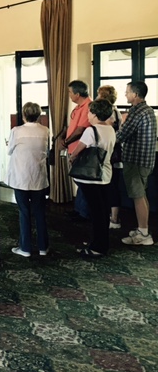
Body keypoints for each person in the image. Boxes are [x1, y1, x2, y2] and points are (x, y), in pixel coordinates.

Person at [69, 99, 116, 257]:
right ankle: (101, 243)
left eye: (89, 112)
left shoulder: (91, 131)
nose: (88, 115)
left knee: (96, 212)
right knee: (102, 211)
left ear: (95, 113)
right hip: (106, 174)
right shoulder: (110, 129)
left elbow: (77, 151)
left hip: (91, 176)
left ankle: (97, 247)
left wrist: (71, 158)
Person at [6, 102, 50, 257]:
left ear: (24, 115)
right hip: (38, 175)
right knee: (39, 211)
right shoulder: (45, 130)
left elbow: (10, 150)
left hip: (21, 176)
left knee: (24, 211)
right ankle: (43, 246)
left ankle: (25, 248)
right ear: (38, 115)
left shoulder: (16, 131)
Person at [117, 81, 157, 246]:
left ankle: (143, 233)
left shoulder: (137, 111)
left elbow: (122, 135)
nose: (125, 95)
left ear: (135, 94)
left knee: (137, 196)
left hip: (135, 160)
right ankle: (143, 229)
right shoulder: (148, 110)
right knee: (142, 195)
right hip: (146, 160)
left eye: (127, 92)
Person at [59, 80, 92, 220]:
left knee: (82, 182)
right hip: (74, 148)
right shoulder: (79, 107)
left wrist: (66, 142)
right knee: (79, 181)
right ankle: (79, 210)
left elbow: (80, 130)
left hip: (80, 149)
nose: (69, 95)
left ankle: (84, 213)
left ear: (78, 94)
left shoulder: (88, 106)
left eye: (70, 92)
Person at [96, 85, 124, 229]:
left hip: (111, 154)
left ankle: (114, 219)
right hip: (115, 154)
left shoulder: (109, 113)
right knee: (112, 185)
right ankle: (112, 216)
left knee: (111, 186)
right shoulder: (117, 111)